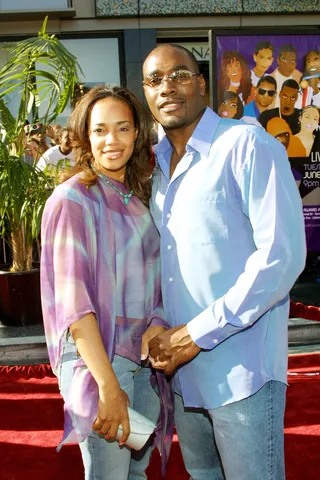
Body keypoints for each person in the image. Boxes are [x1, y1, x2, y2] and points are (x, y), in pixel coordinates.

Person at [141, 43, 306, 480]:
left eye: (179, 75)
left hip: (242, 373)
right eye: (154, 80)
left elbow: (282, 257)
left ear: (201, 83)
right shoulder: (157, 168)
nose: (167, 88)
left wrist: (196, 334)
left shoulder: (246, 145)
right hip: (183, 377)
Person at [40, 85, 172, 480]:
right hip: (99, 362)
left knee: (137, 474)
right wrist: (107, 385)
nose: (112, 141)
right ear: (84, 136)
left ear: (138, 134)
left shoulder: (139, 196)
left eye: (122, 128)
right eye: (100, 130)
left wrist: (158, 322)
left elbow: (155, 277)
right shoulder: (72, 200)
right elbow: (74, 306)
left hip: (144, 364)